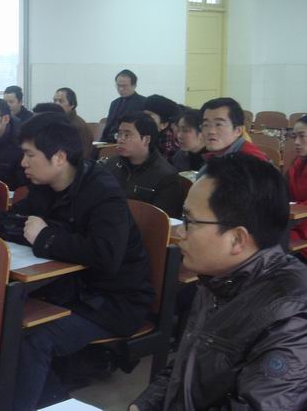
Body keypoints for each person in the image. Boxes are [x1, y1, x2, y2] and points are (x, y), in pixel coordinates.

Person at [0, 113, 154, 411]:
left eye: (29, 155)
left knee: (31, 339)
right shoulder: (45, 185)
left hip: (113, 301)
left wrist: (45, 237)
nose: (23, 163)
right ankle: (52, 400)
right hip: (70, 289)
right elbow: (12, 219)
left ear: (59, 157)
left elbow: (106, 255)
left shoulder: (103, 192)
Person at [130, 154, 307, 411]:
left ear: (237, 239)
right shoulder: (220, 279)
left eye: (190, 222)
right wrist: (143, 406)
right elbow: (185, 368)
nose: (179, 232)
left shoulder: (291, 316)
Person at [102, 112, 184, 218]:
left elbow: (163, 220)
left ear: (146, 139)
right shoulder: (111, 165)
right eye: (119, 134)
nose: (120, 140)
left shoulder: (166, 176)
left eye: (127, 135)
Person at [197, 98, 268, 177]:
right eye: (206, 125)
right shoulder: (216, 156)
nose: (211, 131)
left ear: (238, 131)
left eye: (219, 124)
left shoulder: (251, 164)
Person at [100, 69, 146, 142]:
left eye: (124, 86)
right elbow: (108, 126)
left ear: (134, 85)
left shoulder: (143, 102)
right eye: (118, 86)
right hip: (110, 140)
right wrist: (101, 141)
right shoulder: (114, 103)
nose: (121, 89)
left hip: (128, 141)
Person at [53, 87, 94, 159]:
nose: (56, 104)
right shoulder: (56, 122)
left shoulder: (78, 126)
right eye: (55, 101)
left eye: (61, 101)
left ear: (72, 105)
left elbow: (80, 157)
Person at [288, 114, 307, 260]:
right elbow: (284, 192)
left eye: (302, 136)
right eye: (294, 137)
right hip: (296, 222)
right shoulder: (298, 163)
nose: (296, 142)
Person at [143, 94, 180, 163]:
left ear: (164, 125)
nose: (143, 120)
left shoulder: (169, 150)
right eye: (143, 115)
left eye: (149, 116)